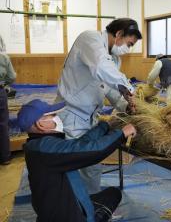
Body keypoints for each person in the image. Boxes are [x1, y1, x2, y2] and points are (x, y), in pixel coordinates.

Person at [56, 18, 142, 194]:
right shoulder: (90, 39)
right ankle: (72, 208)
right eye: (129, 43)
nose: (128, 49)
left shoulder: (114, 60)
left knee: (92, 166)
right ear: (118, 34)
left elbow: (109, 89)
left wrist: (125, 105)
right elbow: (101, 67)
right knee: (72, 164)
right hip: (72, 114)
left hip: (91, 117)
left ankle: (90, 206)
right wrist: (128, 86)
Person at [17, 99, 136, 222]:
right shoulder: (45, 148)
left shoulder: (40, 144)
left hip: (64, 204)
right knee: (112, 196)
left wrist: (105, 125)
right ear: (40, 124)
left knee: (113, 193)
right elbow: (94, 150)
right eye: (53, 115)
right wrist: (122, 134)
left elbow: (81, 144)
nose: (57, 118)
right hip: (68, 216)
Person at [0, 35, 16, 165]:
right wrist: (4, 84)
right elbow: (12, 77)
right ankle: (4, 157)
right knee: (2, 124)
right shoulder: (4, 58)